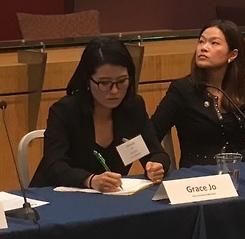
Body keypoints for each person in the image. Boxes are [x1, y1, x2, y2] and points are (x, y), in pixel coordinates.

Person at [31, 37, 169, 192]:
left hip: (110, 198)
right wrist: (90, 180)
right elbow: (54, 167)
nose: (114, 91)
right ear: (87, 81)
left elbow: (156, 152)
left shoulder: (133, 107)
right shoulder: (65, 111)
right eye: (104, 83)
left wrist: (156, 165)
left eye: (122, 81)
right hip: (55, 197)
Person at [151, 20, 245, 168]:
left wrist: (231, 163)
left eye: (214, 43)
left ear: (232, 54)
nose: (204, 48)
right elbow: (151, 134)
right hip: (197, 176)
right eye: (201, 41)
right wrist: (159, 161)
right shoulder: (182, 90)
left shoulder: (243, 90)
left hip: (238, 173)